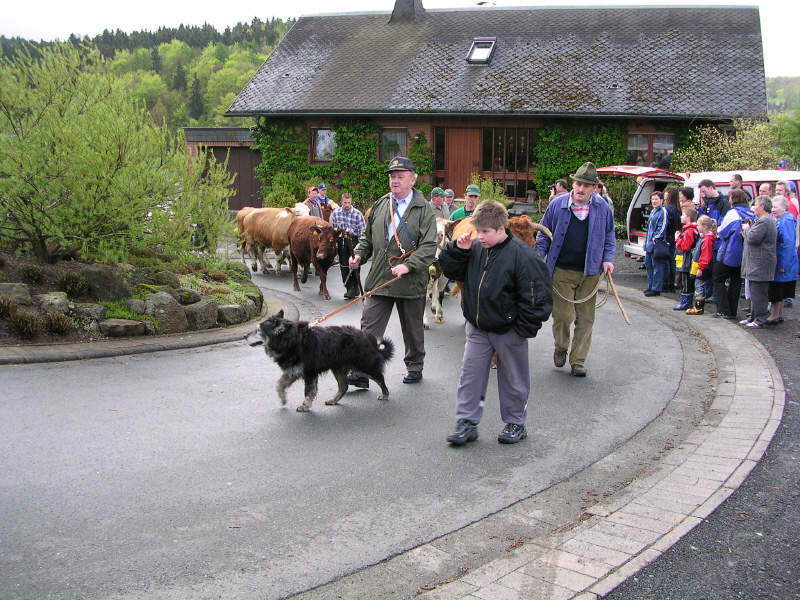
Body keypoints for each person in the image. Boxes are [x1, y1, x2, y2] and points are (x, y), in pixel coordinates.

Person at [439, 200, 552, 445]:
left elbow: (537, 296)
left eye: (485, 232)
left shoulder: (523, 256)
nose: (479, 236)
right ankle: (466, 422)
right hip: (478, 326)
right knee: (470, 376)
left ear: (501, 228)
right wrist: (458, 251)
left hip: (509, 329)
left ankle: (515, 422)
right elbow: (451, 272)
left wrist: (522, 329)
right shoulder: (474, 247)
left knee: (513, 378)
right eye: (477, 230)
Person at [347, 157, 437, 385]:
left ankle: (415, 366)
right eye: (392, 176)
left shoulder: (424, 209)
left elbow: (429, 246)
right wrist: (359, 254)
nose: (394, 181)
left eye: (400, 176)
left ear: (413, 179)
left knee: (413, 329)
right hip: (380, 277)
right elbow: (367, 238)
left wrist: (409, 265)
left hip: (410, 279)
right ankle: (363, 371)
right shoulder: (380, 204)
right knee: (369, 326)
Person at [535, 161, 615, 378]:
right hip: (561, 270)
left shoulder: (602, 207)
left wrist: (608, 259)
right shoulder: (557, 205)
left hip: (591, 271)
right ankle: (561, 346)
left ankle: (578, 360)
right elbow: (543, 233)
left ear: (594, 188)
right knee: (563, 315)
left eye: (586, 185)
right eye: (578, 184)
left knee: (586, 318)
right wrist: (539, 256)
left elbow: (609, 235)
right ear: (573, 183)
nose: (581, 189)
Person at [712, 189, 753, 319]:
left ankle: (723, 309)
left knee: (718, 278)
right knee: (736, 281)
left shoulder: (733, 213)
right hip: (745, 253)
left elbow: (723, 232)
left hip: (730, 252)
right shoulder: (751, 213)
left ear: (733, 199)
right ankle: (732, 310)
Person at [740, 196, 777, 329]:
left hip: (760, 264)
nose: (753, 207)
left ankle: (760, 319)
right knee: (754, 293)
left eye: (755, 205)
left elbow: (753, 237)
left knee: (759, 293)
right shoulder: (763, 221)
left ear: (762, 207)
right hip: (756, 264)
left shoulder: (765, 221)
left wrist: (746, 229)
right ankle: (753, 316)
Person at [767, 196, 799, 325]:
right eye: (772, 207)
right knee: (781, 290)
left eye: (776, 207)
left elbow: (787, 244)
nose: (773, 210)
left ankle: (774, 315)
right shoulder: (785, 219)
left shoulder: (785, 221)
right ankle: (778, 314)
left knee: (778, 289)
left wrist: (782, 265)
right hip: (786, 261)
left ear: (784, 207)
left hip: (783, 261)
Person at [330, 193, 366, 299]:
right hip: (342, 241)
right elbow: (334, 229)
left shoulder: (357, 214)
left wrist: (361, 244)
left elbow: (362, 231)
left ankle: (356, 285)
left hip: (354, 241)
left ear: (351, 202)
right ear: (341, 202)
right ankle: (349, 288)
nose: (347, 205)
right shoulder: (336, 213)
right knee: (344, 265)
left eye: (349, 203)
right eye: (345, 203)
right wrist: (335, 241)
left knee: (355, 264)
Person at [687, 215, 717, 315]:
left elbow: (705, 255)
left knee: (699, 286)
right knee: (700, 285)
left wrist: (701, 268)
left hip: (702, 267)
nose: (697, 227)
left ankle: (698, 307)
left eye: (699, 225)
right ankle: (697, 306)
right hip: (699, 265)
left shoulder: (707, 240)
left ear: (705, 227)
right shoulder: (704, 238)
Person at [643, 191, 669, 297]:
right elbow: (649, 228)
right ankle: (650, 286)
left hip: (657, 243)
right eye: (652, 199)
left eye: (656, 199)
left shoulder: (663, 211)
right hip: (649, 243)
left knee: (657, 266)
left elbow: (662, 227)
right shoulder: (653, 211)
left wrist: (655, 239)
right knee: (648, 265)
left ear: (661, 200)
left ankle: (656, 288)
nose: (654, 201)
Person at [674, 206, 699, 311]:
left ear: (688, 218)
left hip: (686, 261)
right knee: (687, 281)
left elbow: (685, 247)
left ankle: (686, 303)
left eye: (683, 215)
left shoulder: (689, 231)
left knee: (686, 282)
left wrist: (677, 239)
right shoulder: (692, 230)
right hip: (687, 260)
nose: (681, 217)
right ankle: (687, 302)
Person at [663, 186, 682, 292]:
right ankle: (671, 283)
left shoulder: (668, 209)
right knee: (671, 260)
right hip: (673, 236)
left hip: (668, 237)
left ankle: (666, 283)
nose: (665, 194)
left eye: (667, 192)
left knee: (666, 261)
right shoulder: (677, 209)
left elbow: (666, 224)